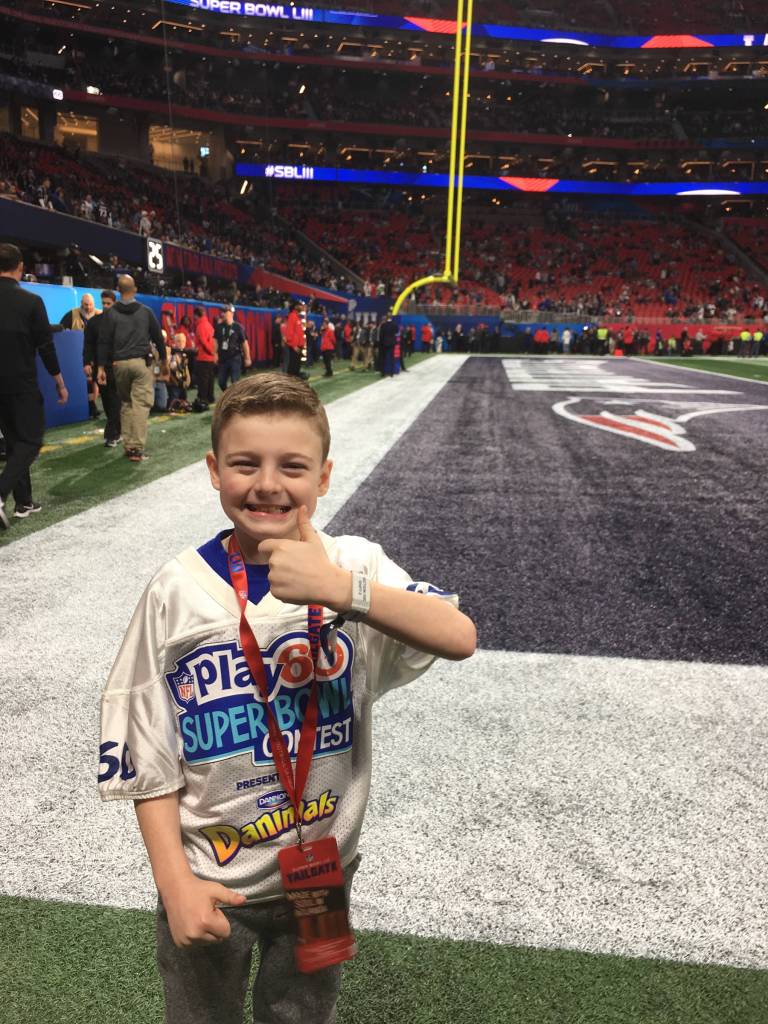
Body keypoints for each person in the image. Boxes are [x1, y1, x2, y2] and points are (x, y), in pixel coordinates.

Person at [98, 372, 476, 1024]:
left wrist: (341, 590)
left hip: (323, 872)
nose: (268, 484)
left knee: (304, 1012)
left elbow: (458, 635)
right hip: (212, 879)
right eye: (246, 464)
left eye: (292, 466)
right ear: (215, 471)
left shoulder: (354, 565)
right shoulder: (176, 592)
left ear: (323, 477)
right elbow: (143, 750)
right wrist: (174, 884)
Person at [0, 242, 68, 528]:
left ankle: (24, 502)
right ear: (20, 268)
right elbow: (46, 347)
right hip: (21, 381)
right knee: (30, 440)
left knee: (15, 442)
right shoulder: (30, 301)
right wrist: (60, 382)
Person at [97, 274, 165, 463]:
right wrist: (164, 360)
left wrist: (101, 367)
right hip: (140, 363)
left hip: (119, 365)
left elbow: (103, 342)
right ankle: (136, 447)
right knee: (141, 406)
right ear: (134, 290)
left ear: (118, 291)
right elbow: (158, 338)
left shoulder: (110, 314)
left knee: (126, 404)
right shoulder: (145, 311)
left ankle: (128, 445)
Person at [83, 289, 121, 447]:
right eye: (103, 303)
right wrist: (86, 363)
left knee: (115, 400)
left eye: (109, 303)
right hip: (101, 368)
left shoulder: (122, 322)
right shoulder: (93, 323)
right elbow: (88, 345)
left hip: (119, 366)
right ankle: (117, 432)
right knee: (107, 400)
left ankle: (112, 434)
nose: (105, 306)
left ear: (114, 303)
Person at [214, 304, 250, 392]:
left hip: (235, 357)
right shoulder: (219, 327)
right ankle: (229, 395)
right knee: (221, 382)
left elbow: (244, 343)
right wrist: (214, 354)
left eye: (225, 312)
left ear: (231, 313)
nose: (222, 314)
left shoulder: (238, 327)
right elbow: (215, 341)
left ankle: (235, 398)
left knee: (235, 381)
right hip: (223, 358)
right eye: (222, 312)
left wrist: (247, 358)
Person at [194, 306, 217, 405]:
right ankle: (210, 397)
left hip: (203, 357)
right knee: (210, 378)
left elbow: (203, 342)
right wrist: (214, 352)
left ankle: (203, 398)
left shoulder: (200, 326)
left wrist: (211, 351)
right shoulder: (209, 325)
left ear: (196, 315)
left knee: (203, 379)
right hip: (210, 358)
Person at [283, 301, 305, 377]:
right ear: (296, 306)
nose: (302, 307)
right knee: (293, 367)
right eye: (300, 305)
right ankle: (291, 382)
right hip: (295, 346)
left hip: (299, 346)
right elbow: (289, 332)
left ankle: (295, 381)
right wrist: (293, 345)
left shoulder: (297, 317)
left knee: (297, 366)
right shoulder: (292, 316)